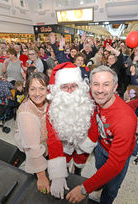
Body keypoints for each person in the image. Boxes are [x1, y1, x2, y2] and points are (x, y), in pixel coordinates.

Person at [66, 65, 137, 204]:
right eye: (96, 84)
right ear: (90, 86)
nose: (100, 90)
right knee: (100, 171)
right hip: (101, 147)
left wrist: (84, 189)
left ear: (115, 87)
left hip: (117, 156)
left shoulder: (125, 120)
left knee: (111, 188)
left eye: (106, 85)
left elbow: (115, 164)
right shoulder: (93, 97)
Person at [47, 62, 97, 199]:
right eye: (64, 87)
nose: (69, 90)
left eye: (73, 86)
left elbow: (94, 126)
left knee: (80, 161)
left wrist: (89, 142)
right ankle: (68, 172)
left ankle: (78, 171)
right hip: (64, 144)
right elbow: (53, 138)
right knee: (66, 160)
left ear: (79, 86)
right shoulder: (53, 108)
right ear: (58, 89)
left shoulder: (87, 102)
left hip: (83, 142)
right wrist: (57, 175)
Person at [14, 72, 50, 194]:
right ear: (27, 90)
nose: (37, 93)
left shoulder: (47, 102)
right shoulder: (26, 114)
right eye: (33, 89)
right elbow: (33, 148)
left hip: (45, 144)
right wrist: (41, 177)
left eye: (41, 88)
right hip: (33, 148)